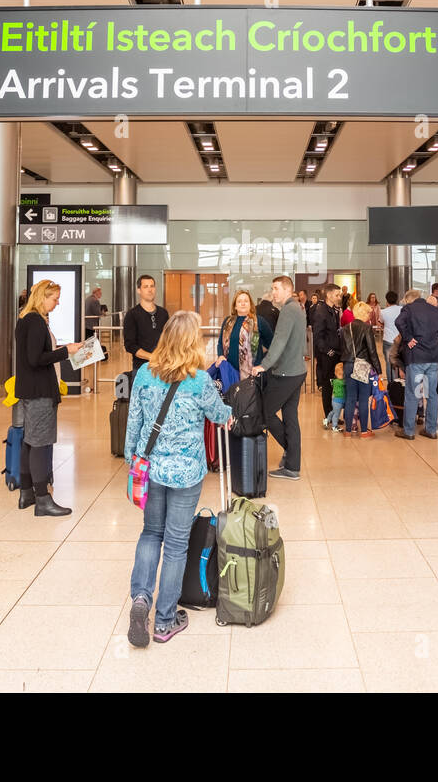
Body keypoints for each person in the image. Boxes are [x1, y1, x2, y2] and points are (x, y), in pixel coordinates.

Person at [126, 311, 234, 647]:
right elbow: (219, 414)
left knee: (150, 533)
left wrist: (134, 457)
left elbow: (134, 422)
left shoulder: (144, 374)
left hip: (151, 468)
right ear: (193, 342)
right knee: (175, 544)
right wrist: (230, 414)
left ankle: (141, 600)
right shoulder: (199, 380)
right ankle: (164, 621)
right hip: (186, 472)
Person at [13, 280, 73, 518]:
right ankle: (42, 500)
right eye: (54, 299)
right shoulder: (36, 321)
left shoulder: (25, 319)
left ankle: (26, 492)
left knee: (29, 440)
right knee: (40, 443)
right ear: (42, 297)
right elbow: (36, 358)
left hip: (29, 389)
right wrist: (67, 351)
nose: (57, 304)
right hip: (39, 391)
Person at [251, 275, 307, 481]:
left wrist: (263, 366)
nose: (273, 292)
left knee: (264, 411)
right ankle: (292, 464)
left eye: (276, 288)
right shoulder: (298, 308)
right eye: (273, 288)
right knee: (290, 416)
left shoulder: (288, 310)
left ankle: (292, 457)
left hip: (286, 373)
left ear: (287, 289)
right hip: (297, 370)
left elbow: (280, 341)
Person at [395, 287, 438, 440]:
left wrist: (409, 338)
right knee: (431, 394)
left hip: (416, 358)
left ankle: (409, 431)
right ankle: (431, 429)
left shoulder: (409, 309)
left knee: (412, 394)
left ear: (409, 300)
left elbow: (398, 322)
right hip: (433, 358)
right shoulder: (434, 310)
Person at [341, 301, 383, 437]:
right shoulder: (366, 328)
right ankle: (364, 431)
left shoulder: (345, 328)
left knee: (350, 398)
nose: (370, 316)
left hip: (348, 365)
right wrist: (378, 369)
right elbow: (372, 351)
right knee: (364, 398)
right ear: (364, 313)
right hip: (362, 365)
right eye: (369, 313)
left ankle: (348, 430)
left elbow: (342, 348)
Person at [219, 290, 273, 381]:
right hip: (229, 372)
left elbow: (272, 344)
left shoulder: (259, 321)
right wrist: (220, 356)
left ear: (250, 305)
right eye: (239, 301)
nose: (243, 303)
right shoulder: (227, 322)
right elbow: (220, 343)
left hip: (252, 374)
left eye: (246, 301)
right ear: (235, 306)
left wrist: (263, 363)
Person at [310, 284, 343, 420]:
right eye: (337, 295)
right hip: (327, 355)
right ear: (329, 295)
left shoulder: (332, 310)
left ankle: (333, 414)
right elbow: (318, 335)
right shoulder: (321, 311)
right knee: (327, 386)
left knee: (333, 385)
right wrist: (328, 351)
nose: (339, 297)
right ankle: (329, 415)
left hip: (334, 353)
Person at [123, 275, 168, 373]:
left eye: (152, 286)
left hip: (163, 367)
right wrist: (152, 357)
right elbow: (130, 345)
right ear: (138, 290)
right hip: (141, 369)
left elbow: (169, 339)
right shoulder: (132, 315)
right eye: (146, 287)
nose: (150, 290)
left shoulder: (163, 313)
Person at [380, 290, 402, 365]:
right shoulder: (401, 309)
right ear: (396, 299)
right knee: (400, 363)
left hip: (388, 339)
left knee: (389, 364)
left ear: (386, 299)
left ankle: (390, 377)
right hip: (400, 339)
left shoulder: (383, 311)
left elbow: (380, 322)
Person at [324, 362, 346, 432]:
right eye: (339, 374)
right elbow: (344, 383)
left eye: (343, 374)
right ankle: (334, 426)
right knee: (337, 414)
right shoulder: (337, 381)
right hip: (337, 400)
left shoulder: (338, 380)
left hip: (339, 400)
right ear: (335, 374)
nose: (341, 376)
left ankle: (327, 420)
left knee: (334, 411)